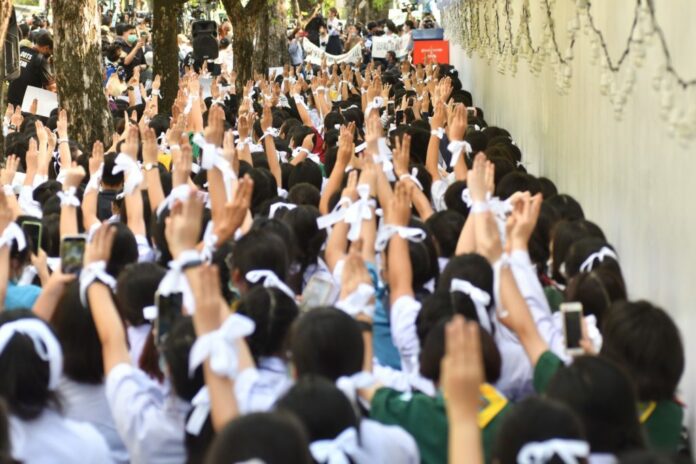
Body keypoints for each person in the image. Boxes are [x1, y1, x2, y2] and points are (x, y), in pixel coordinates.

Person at [6, 31, 55, 107]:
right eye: (50, 53)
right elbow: (52, 88)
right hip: (25, 105)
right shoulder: (40, 60)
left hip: (10, 100)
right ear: (46, 48)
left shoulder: (21, 49)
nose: (49, 55)